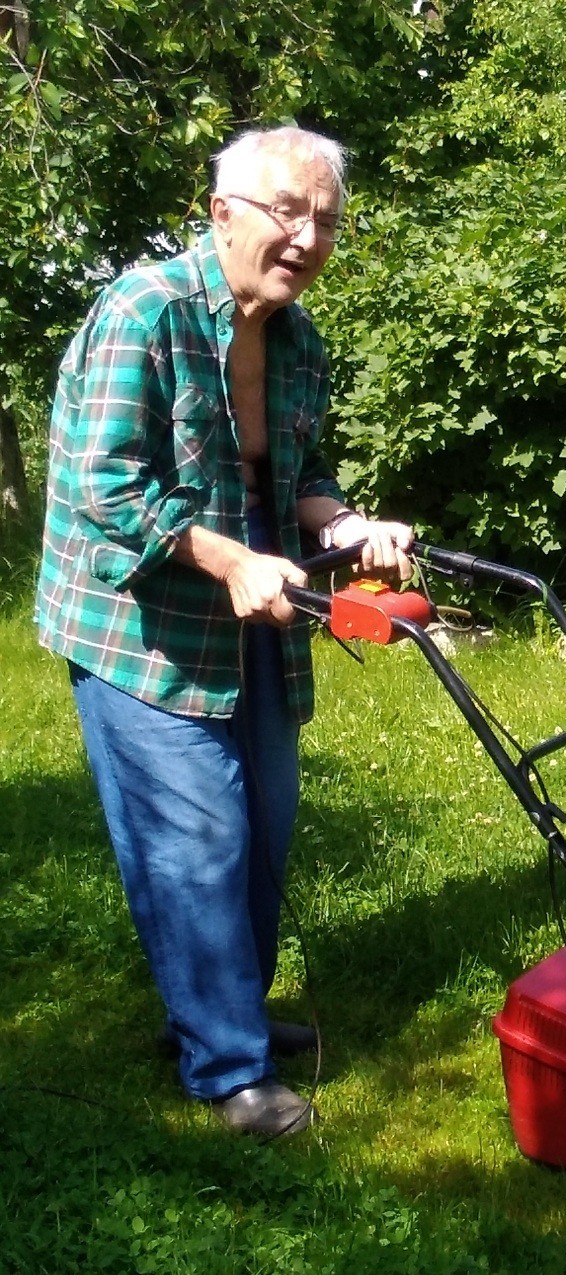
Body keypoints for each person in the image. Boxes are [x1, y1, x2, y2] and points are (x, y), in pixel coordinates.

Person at [35, 126, 412, 1136]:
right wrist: (232, 559)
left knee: (264, 825)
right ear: (222, 213)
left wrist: (347, 526)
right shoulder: (144, 310)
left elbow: (300, 474)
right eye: (288, 211)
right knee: (196, 838)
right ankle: (228, 1067)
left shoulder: (298, 339)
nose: (307, 237)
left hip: (259, 600)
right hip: (137, 617)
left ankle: (218, 1009)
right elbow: (105, 486)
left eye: (325, 220)